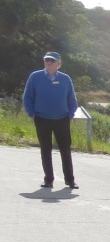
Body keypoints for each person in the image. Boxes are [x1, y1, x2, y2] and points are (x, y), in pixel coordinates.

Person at [23, 51, 79, 189]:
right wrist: (32, 114)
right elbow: (27, 97)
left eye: (52, 60)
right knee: (45, 149)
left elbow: (72, 100)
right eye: (47, 60)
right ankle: (48, 180)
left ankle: (70, 180)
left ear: (58, 64)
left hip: (62, 119)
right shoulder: (35, 77)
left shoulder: (65, 79)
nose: (49, 62)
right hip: (42, 119)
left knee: (65, 150)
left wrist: (70, 114)